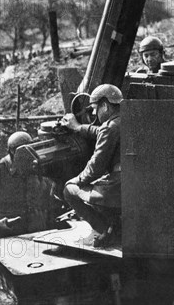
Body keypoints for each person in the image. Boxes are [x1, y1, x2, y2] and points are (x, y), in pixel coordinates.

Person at [63, 84, 122, 247]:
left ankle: (103, 230)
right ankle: (113, 225)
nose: (94, 113)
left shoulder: (110, 128)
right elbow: (100, 131)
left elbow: (96, 168)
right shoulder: (127, 118)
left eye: (95, 108)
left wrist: (77, 180)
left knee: (69, 190)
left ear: (105, 105)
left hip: (119, 187)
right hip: (134, 181)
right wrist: (78, 127)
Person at [0, 131, 58, 234]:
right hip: (8, 227)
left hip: (35, 226)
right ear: (12, 151)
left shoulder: (36, 167)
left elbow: (48, 195)